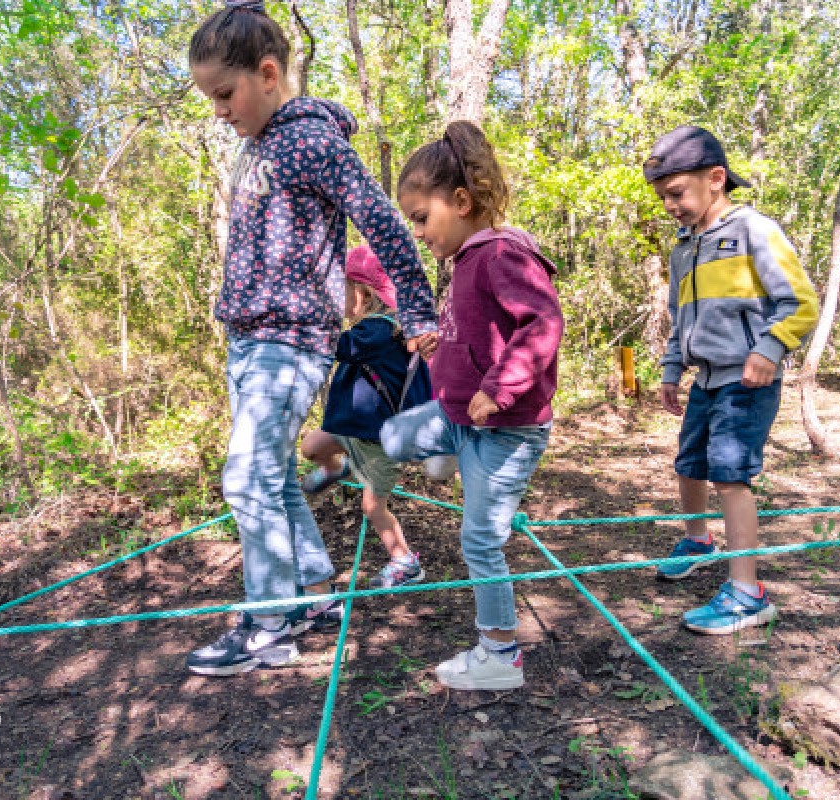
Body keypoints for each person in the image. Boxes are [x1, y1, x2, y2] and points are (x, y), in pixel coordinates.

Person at [185, 0, 438, 677]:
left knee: (246, 478)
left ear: (268, 73)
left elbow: (384, 223)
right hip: (250, 337)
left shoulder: (310, 140)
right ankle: (317, 595)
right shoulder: (259, 146)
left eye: (225, 93)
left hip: (289, 338)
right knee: (271, 478)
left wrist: (418, 313)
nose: (219, 109)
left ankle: (270, 625)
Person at [381, 121, 563, 691]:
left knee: (480, 541)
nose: (418, 232)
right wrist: (443, 343)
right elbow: (478, 329)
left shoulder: (501, 254)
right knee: (392, 437)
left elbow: (542, 322)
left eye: (420, 218)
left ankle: (499, 656)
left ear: (460, 202)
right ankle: (444, 456)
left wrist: (500, 386)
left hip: (504, 428)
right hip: (463, 419)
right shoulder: (467, 260)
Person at [644, 125, 819, 635]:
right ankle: (698, 540)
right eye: (664, 197)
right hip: (705, 380)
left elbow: (799, 302)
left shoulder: (753, 231)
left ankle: (747, 592)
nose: (670, 205)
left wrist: (769, 348)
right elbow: (681, 318)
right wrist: (671, 369)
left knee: (729, 474)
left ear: (716, 179)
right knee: (689, 464)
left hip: (747, 380)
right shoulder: (684, 248)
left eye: (677, 193)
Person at [300, 245, 431, 589]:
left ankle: (404, 561)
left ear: (361, 292)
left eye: (338, 289)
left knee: (373, 507)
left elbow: (336, 347)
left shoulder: (379, 330)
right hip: (350, 430)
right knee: (312, 446)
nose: (333, 298)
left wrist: (305, 322)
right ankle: (336, 467)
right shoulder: (371, 328)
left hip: (378, 443)